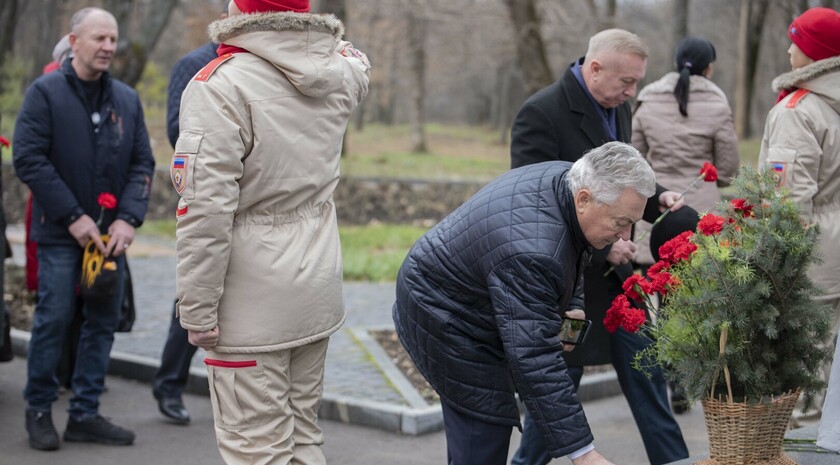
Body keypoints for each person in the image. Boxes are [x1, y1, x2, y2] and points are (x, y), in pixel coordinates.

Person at [172, 0, 369, 463]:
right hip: (315, 284)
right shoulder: (339, 71)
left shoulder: (220, 86)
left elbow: (205, 211)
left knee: (256, 448)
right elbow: (357, 61)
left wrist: (197, 309)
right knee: (303, 437)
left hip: (250, 304)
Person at [394, 142, 658, 465]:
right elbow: (536, 358)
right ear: (585, 199)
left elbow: (573, 246)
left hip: (466, 291)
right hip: (443, 312)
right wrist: (584, 454)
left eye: (632, 222)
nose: (627, 237)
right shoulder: (534, 251)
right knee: (485, 429)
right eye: (620, 223)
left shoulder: (570, 181)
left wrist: (572, 303)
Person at [509, 29, 689, 465]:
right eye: (627, 82)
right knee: (557, 393)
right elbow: (535, 208)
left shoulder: (618, 104)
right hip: (568, 286)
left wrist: (657, 196)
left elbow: (622, 180)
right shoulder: (541, 113)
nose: (633, 92)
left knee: (648, 376)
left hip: (619, 285)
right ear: (594, 69)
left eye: (636, 82)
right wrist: (605, 247)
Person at [12, 6, 155, 451]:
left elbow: (142, 164)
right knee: (54, 321)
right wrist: (73, 217)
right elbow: (28, 157)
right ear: (74, 42)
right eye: (99, 38)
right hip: (58, 236)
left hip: (109, 241)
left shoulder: (127, 100)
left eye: (113, 39)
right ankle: (39, 410)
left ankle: (85, 414)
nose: (109, 47)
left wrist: (129, 219)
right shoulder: (45, 93)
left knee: (101, 324)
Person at [757, 6, 840, 423]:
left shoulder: (798, 111)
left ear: (815, 54)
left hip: (813, 249)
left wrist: (778, 258)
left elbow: (787, 196)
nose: (790, 49)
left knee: (806, 352)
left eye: (797, 42)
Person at [152, 18, 224, 425]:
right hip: (205, 197)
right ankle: (168, 384)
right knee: (192, 297)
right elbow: (177, 130)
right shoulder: (194, 64)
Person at [631, 36, 740, 266]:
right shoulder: (718, 105)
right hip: (702, 212)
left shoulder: (647, 101)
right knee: (703, 290)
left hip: (655, 208)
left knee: (659, 283)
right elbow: (728, 169)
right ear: (709, 69)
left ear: (675, 63)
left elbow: (633, 159)